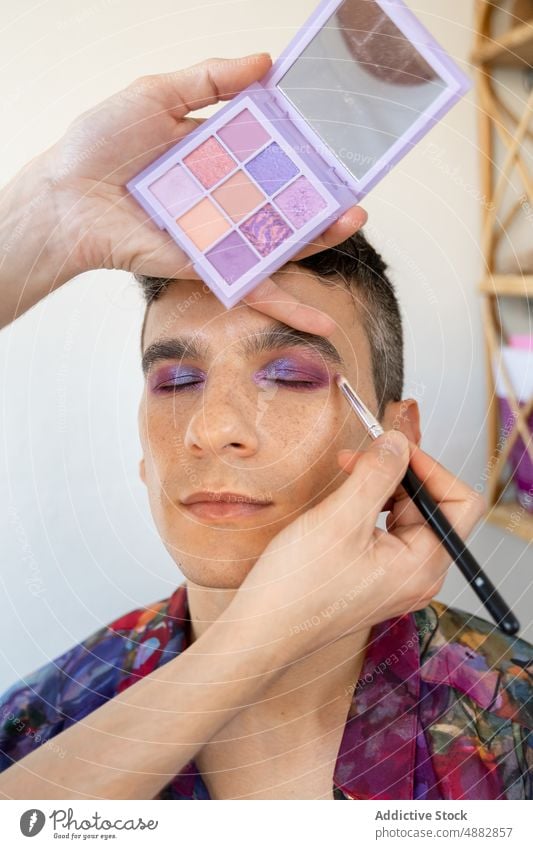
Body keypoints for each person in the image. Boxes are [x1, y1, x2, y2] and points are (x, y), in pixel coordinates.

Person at [0, 55, 531, 802]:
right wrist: (46, 214)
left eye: (287, 377)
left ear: (395, 441)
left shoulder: (513, 727)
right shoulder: (33, 726)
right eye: (176, 380)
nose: (211, 429)